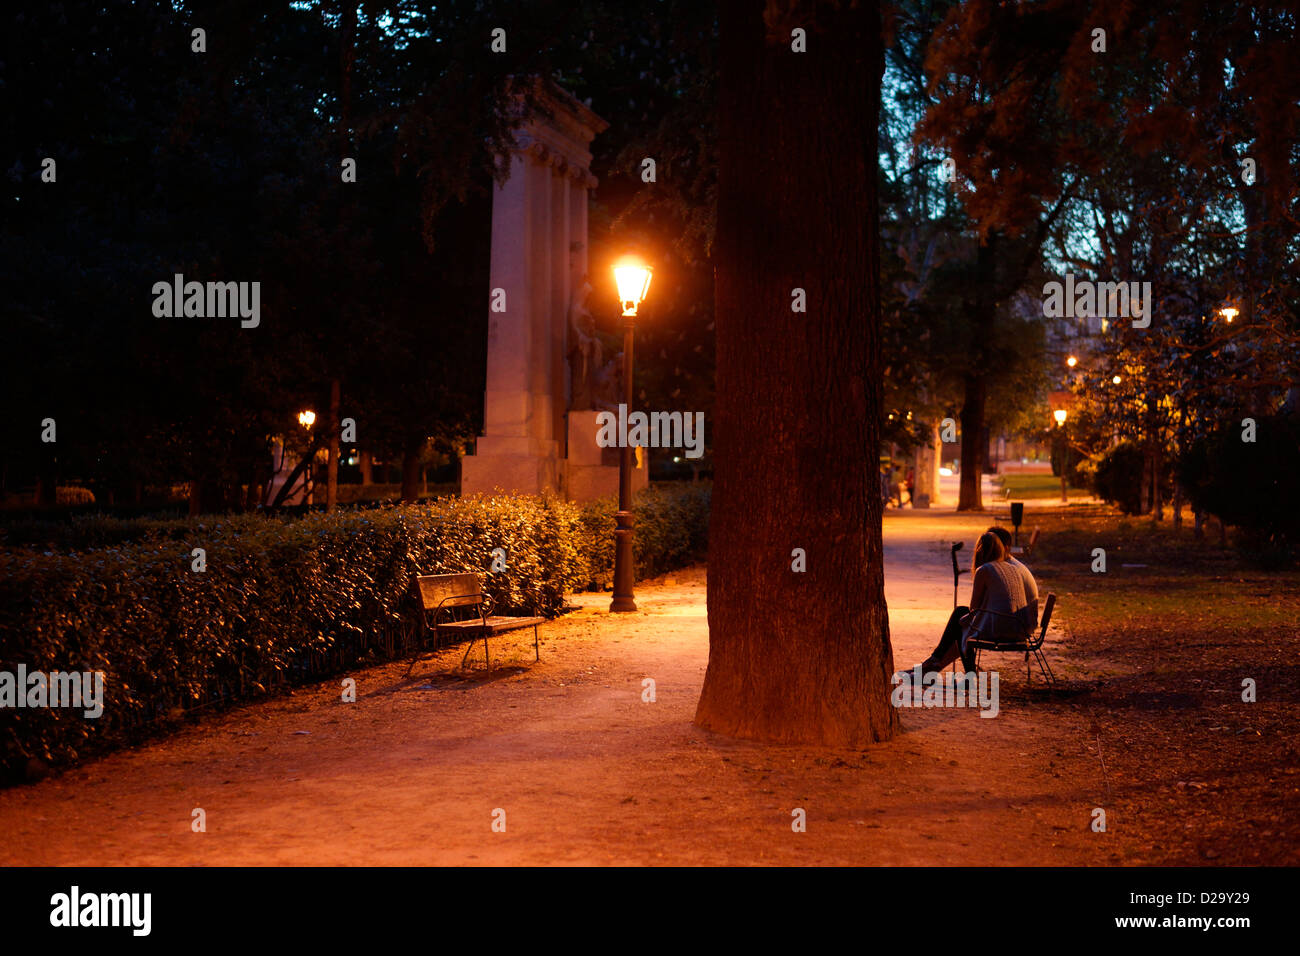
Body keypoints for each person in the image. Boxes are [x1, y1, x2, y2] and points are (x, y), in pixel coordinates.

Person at [915, 531, 1030, 674]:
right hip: (1019, 628)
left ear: (979, 551)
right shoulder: (1013, 569)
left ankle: (943, 664)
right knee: (961, 615)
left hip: (1001, 629)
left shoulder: (984, 570)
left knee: (961, 618)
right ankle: (935, 663)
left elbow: (973, 609)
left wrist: (964, 619)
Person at [985, 525, 1038, 632]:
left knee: (961, 616)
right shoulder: (1012, 564)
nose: (989, 550)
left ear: (1005, 547)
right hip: (1023, 621)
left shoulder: (1003, 569)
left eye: (993, 546)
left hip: (1016, 625)